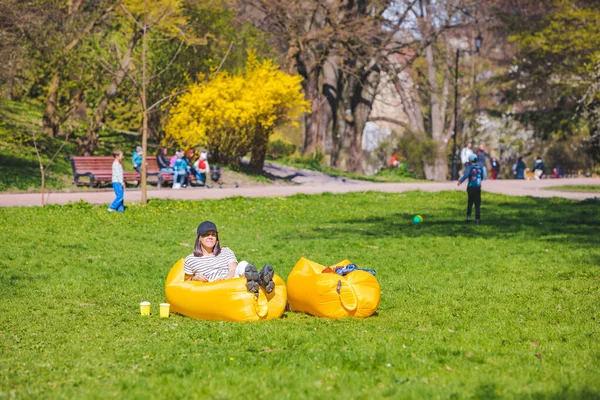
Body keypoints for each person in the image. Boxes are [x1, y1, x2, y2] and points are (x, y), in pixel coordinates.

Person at [183, 221, 276, 294]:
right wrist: (194, 278)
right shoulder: (190, 259)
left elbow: (234, 269)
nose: (210, 237)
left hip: (230, 282)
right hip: (211, 287)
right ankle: (260, 282)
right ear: (199, 238)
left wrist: (226, 277)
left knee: (243, 264)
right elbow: (186, 282)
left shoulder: (225, 251)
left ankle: (260, 280)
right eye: (206, 234)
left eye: (213, 234)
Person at [457, 154, 483, 224]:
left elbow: (466, 175)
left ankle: (468, 218)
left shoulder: (470, 168)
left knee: (470, 203)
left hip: (471, 187)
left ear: (470, 161)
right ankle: (477, 219)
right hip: (478, 187)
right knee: (477, 204)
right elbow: (482, 177)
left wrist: (460, 181)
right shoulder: (480, 168)